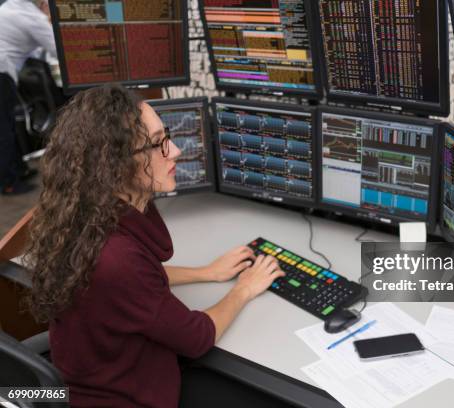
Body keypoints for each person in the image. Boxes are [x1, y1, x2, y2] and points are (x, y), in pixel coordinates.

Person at [24, 84, 286, 407]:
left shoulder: (84, 214)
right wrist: (243, 289)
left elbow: (134, 282)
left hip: (86, 377)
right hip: (123, 397)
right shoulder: (118, 261)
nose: (174, 150)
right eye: (158, 143)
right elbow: (196, 337)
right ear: (115, 164)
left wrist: (206, 272)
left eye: (167, 136)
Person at [0, 0, 56, 195]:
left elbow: (32, 48)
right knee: (4, 129)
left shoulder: (10, 6)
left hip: (5, 71)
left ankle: (17, 170)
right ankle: (8, 182)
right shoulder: (31, 17)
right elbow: (58, 49)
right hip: (1, 73)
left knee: (8, 124)